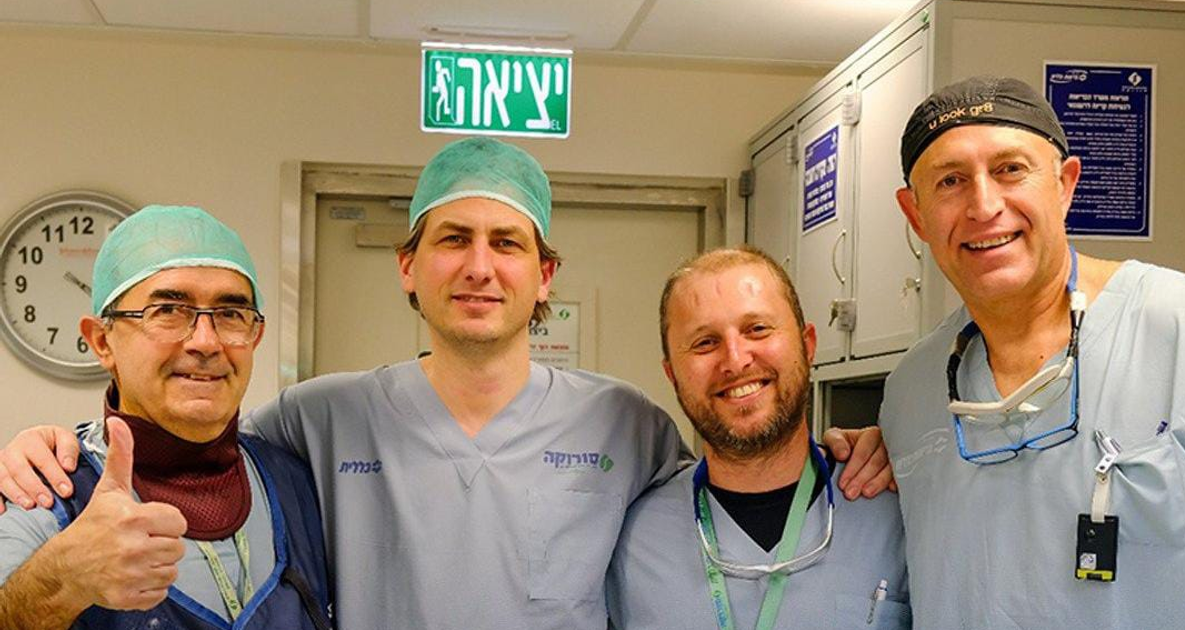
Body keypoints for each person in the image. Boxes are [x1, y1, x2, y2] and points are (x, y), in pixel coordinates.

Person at [0, 138, 894, 629]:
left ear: (544, 276)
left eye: (506, 243)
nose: (478, 266)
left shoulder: (629, 425)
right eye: (452, 240)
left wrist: (848, 445)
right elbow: (194, 439)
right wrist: (53, 444)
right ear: (408, 266)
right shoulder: (319, 419)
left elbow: (732, 486)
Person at [880, 75, 1185, 627]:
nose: (984, 206)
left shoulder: (1184, 330)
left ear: (1064, 184)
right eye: (951, 181)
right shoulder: (910, 391)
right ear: (916, 215)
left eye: (1010, 169)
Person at [0, 206, 332, 629]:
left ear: (256, 336)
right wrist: (61, 579)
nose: (206, 342)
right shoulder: (46, 491)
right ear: (102, 342)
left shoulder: (296, 484)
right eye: (168, 311)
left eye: (231, 314)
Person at [607, 246, 910, 630]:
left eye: (757, 329)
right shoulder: (628, 539)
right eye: (704, 342)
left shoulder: (897, 510)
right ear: (673, 375)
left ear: (808, 345)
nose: (735, 360)